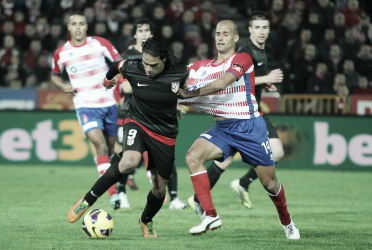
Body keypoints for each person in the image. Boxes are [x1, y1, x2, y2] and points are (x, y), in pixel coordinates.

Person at [178, 19, 300, 239]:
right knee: (192, 156)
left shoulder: (243, 58)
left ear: (235, 38)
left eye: (226, 34)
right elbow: (179, 78)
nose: (221, 37)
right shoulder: (201, 66)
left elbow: (220, 84)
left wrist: (185, 96)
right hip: (223, 128)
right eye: (217, 33)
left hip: (250, 127)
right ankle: (210, 215)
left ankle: (287, 221)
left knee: (269, 184)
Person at [67, 37, 189, 238]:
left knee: (159, 190)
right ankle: (88, 199)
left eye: (153, 65)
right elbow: (115, 66)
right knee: (129, 162)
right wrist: (107, 80)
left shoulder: (181, 72)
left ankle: (146, 220)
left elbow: (189, 89)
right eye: (145, 63)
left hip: (164, 133)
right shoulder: (132, 66)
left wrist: (184, 99)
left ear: (165, 59)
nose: (148, 69)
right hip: (137, 121)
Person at [187, 11, 285, 212]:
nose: (261, 32)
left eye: (265, 27)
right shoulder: (245, 51)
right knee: (273, 152)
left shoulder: (260, 52)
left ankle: (205, 198)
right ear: (248, 30)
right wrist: (266, 79)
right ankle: (230, 189)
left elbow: (247, 80)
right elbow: (234, 79)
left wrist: (264, 85)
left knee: (229, 159)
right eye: (257, 27)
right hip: (241, 114)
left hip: (251, 115)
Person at [114, 17, 187, 210]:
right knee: (130, 158)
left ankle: (174, 198)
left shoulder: (160, 56)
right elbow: (124, 86)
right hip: (134, 112)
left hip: (158, 115)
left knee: (165, 158)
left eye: (147, 30)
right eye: (141, 30)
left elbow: (170, 85)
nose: (144, 33)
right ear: (135, 34)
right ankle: (121, 193)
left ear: (151, 34)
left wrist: (174, 104)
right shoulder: (128, 55)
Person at [51, 12, 122, 210]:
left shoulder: (100, 43)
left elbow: (119, 62)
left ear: (86, 26)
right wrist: (63, 85)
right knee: (99, 145)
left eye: (81, 23)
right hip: (84, 105)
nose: (78, 27)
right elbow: (54, 75)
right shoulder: (61, 53)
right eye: (74, 24)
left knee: (109, 151)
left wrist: (117, 76)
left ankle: (106, 171)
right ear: (69, 27)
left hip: (108, 103)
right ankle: (113, 195)